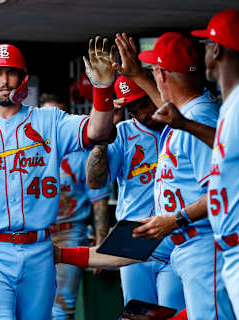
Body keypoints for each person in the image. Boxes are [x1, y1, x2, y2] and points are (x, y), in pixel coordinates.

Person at [0, 39, 117, 319]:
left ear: (23, 77)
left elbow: (98, 131)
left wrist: (102, 89)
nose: (4, 79)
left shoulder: (49, 119)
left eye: (11, 72)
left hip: (40, 250)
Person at [130, 32, 235, 320]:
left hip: (204, 247)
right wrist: (139, 76)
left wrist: (176, 219)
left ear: (162, 74)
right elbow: (169, 112)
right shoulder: (188, 114)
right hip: (187, 247)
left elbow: (221, 191)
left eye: (154, 70)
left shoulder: (200, 118)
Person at [191, 9, 239, 320]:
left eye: (206, 46)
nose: (205, 52)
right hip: (235, 253)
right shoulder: (235, 101)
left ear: (216, 50)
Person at [86, 75, 184, 311]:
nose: (142, 115)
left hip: (175, 235)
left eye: (145, 105)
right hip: (132, 238)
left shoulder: (182, 125)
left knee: (173, 312)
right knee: (138, 314)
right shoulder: (122, 133)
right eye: (134, 109)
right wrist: (103, 136)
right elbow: (95, 181)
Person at [41, 96, 111, 319]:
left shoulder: (82, 154)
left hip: (70, 232)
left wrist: (101, 244)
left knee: (62, 306)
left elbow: (98, 199)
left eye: (58, 116)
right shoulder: (29, 152)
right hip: (36, 234)